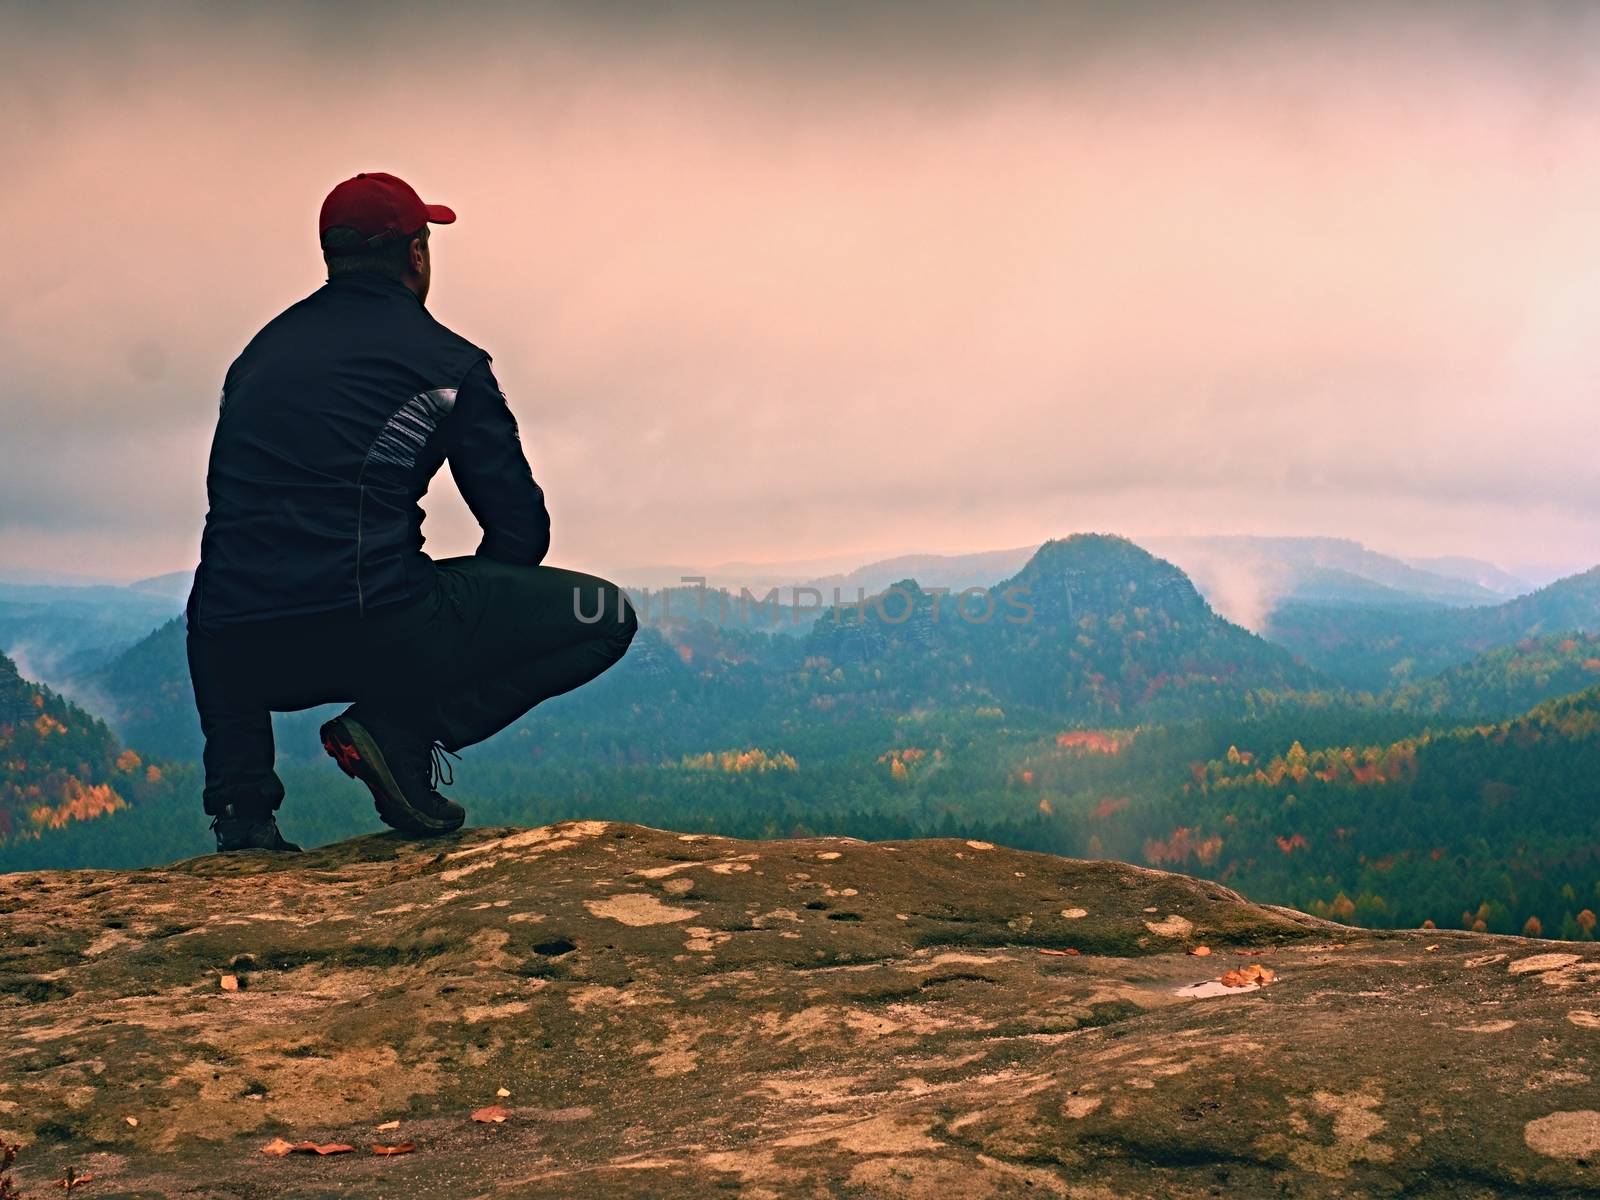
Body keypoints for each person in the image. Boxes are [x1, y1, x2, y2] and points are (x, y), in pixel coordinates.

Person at [186, 172, 637, 853]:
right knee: (606, 617)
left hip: (234, 647)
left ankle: (243, 816)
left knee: (233, 597)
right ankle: (397, 728)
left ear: (331, 255)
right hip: (375, 629)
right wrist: (453, 645)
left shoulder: (256, 359)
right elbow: (520, 530)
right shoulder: (450, 365)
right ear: (417, 255)